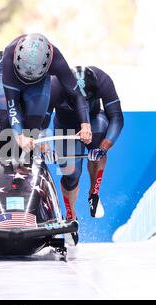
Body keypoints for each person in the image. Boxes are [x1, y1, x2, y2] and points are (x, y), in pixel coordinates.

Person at [46, 66, 124, 221]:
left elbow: (116, 118)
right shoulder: (54, 86)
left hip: (94, 121)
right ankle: (71, 216)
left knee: (101, 138)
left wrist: (103, 147)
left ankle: (94, 194)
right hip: (65, 127)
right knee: (71, 175)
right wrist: (44, 147)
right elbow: (41, 121)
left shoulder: (103, 80)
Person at [0, 33, 92, 154]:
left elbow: (77, 94)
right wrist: (19, 135)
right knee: (5, 120)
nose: (27, 79)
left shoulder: (57, 60)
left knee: (34, 125)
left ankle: (27, 163)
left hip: (40, 81)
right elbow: (12, 104)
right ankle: (0, 158)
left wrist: (85, 124)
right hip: (11, 76)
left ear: (48, 64)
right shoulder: (9, 53)